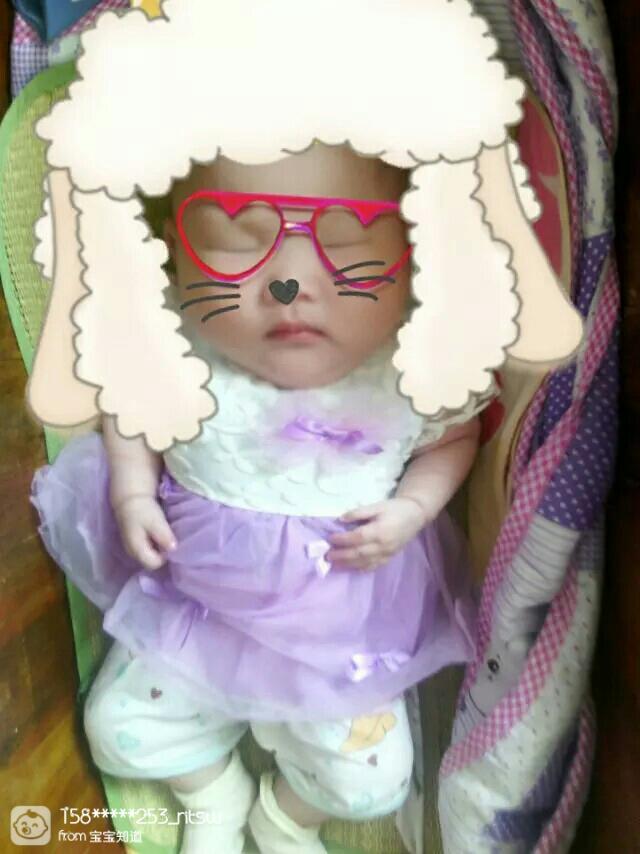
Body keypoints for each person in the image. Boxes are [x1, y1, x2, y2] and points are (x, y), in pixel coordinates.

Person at [30, 141, 498, 853]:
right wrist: (132, 490)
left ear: (412, 255)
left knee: (374, 782)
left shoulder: (412, 365)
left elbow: (453, 440)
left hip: (335, 639)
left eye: (346, 240)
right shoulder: (174, 344)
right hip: (195, 612)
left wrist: (413, 509)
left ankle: (284, 817)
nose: (289, 282)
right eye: (236, 239)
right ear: (174, 252)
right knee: (117, 729)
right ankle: (214, 795)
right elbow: (131, 409)